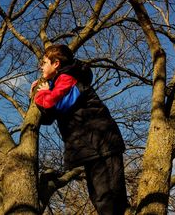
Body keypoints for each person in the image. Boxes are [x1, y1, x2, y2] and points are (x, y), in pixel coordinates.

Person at [31, 44, 128, 215]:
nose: (41, 66)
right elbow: (49, 116)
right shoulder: (58, 83)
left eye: (44, 62)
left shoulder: (68, 77)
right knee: (100, 198)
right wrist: (38, 92)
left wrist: (42, 94)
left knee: (109, 199)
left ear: (56, 64)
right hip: (91, 147)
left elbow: (54, 103)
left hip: (102, 143)